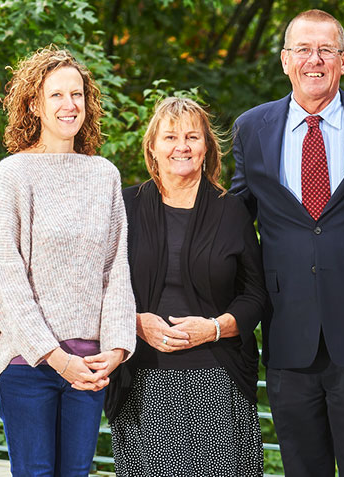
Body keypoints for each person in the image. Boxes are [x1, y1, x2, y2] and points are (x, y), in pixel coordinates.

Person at [230, 9, 344, 477]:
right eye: (302, 49)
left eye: (325, 49)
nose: (314, 59)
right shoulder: (251, 128)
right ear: (285, 60)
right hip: (287, 332)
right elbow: (236, 225)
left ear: (343, 60)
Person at [0, 46, 135, 477]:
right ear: (35, 105)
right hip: (27, 362)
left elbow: (116, 269)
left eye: (76, 94)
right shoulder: (15, 174)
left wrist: (115, 349)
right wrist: (53, 356)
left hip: (91, 365)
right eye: (56, 95)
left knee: (77, 474)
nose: (69, 105)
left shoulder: (104, 174)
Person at [108, 97, 266, 476]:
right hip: (142, 382)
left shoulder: (231, 211)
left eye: (193, 136)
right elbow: (99, 286)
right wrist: (135, 322)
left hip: (217, 378)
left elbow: (256, 295)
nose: (182, 146)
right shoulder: (125, 205)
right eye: (171, 137)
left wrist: (213, 328)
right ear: (152, 147)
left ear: (207, 147)